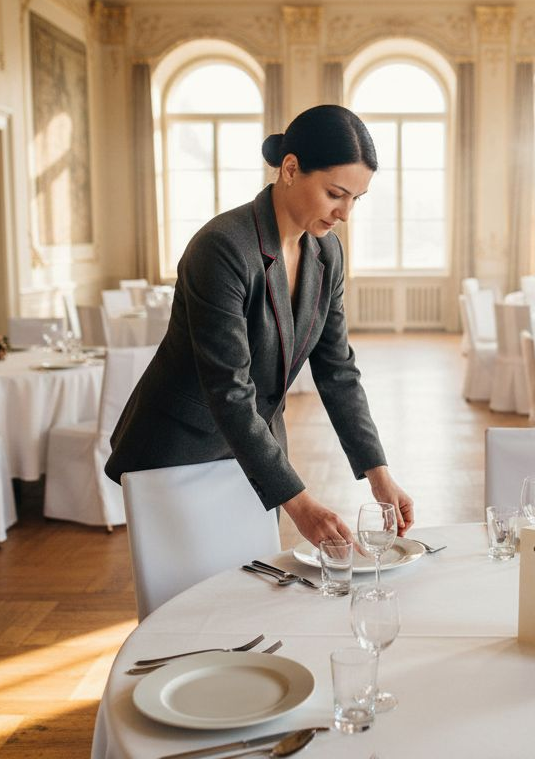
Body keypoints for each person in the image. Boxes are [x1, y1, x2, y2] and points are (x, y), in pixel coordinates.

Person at [105, 105, 414, 547]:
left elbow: (338, 371)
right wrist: (301, 504)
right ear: (290, 169)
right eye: (335, 193)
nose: (344, 212)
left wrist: (378, 474)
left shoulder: (328, 255)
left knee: (253, 591)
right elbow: (229, 390)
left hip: (257, 450)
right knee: (188, 603)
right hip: (181, 451)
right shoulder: (222, 248)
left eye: (355, 199)